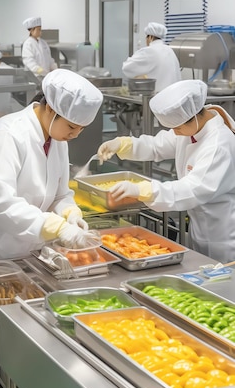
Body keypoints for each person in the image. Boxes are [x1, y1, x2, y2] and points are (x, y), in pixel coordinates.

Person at [0, 69, 103, 268]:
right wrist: (55, 226)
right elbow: (2, 203)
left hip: (22, 251)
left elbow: (59, 194)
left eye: (82, 129)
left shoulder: (57, 140)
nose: (76, 135)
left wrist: (70, 213)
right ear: (51, 110)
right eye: (72, 127)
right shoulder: (8, 134)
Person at [97, 79, 235, 263]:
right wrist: (123, 145)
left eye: (177, 128)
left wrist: (144, 190)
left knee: (223, 283)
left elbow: (192, 188)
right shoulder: (192, 128)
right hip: (200, 223)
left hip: (224, 232)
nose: (175, 133)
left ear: (193, 117)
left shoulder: (219, 144)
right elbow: (157, 145)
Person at [122, 22, 181, 93]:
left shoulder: (149, 51)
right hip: (173, 96)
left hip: (158, 98)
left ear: (150, 37)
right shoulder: (169, 50)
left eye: (146, 37)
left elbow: (127, 67)